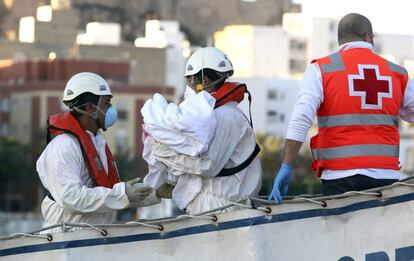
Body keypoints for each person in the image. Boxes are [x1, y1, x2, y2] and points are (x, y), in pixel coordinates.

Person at [269, 13, 414, 203]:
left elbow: (301, 117)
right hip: (384, 176)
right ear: (367, 37)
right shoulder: (397, 73)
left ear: (340, 39)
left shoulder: (321, 69)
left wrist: (286, 166)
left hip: (340, 178)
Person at [142, 47, 262, 214]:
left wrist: (164, 153)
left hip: (224, 209)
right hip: (215, 206)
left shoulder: (228, 116)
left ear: (203, 81)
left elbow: (208, 166)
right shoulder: (214, 115)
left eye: (190, 81)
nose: (188, 88)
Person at [36, 72, 157, 231]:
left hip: (93, 237)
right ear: (90, 107)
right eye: (107, 103)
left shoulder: (96, 142)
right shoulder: (63, 147)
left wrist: (156, 193)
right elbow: (71, 198)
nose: (111, 109)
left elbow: (110, 195)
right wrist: (122, 193)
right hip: (66, 241)